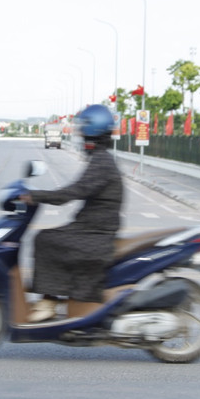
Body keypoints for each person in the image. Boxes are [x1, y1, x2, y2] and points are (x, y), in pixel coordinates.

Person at [21, 104, 124, 323]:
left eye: (83, 133)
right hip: (91, 227)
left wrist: (35, 196)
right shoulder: (101, 159)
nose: (79, 139)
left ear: (92, 133)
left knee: (45, 239)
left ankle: (49, 301)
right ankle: (55, 298)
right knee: (50, 237)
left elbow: (74, 192)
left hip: (96, 233)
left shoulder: (102, 161)